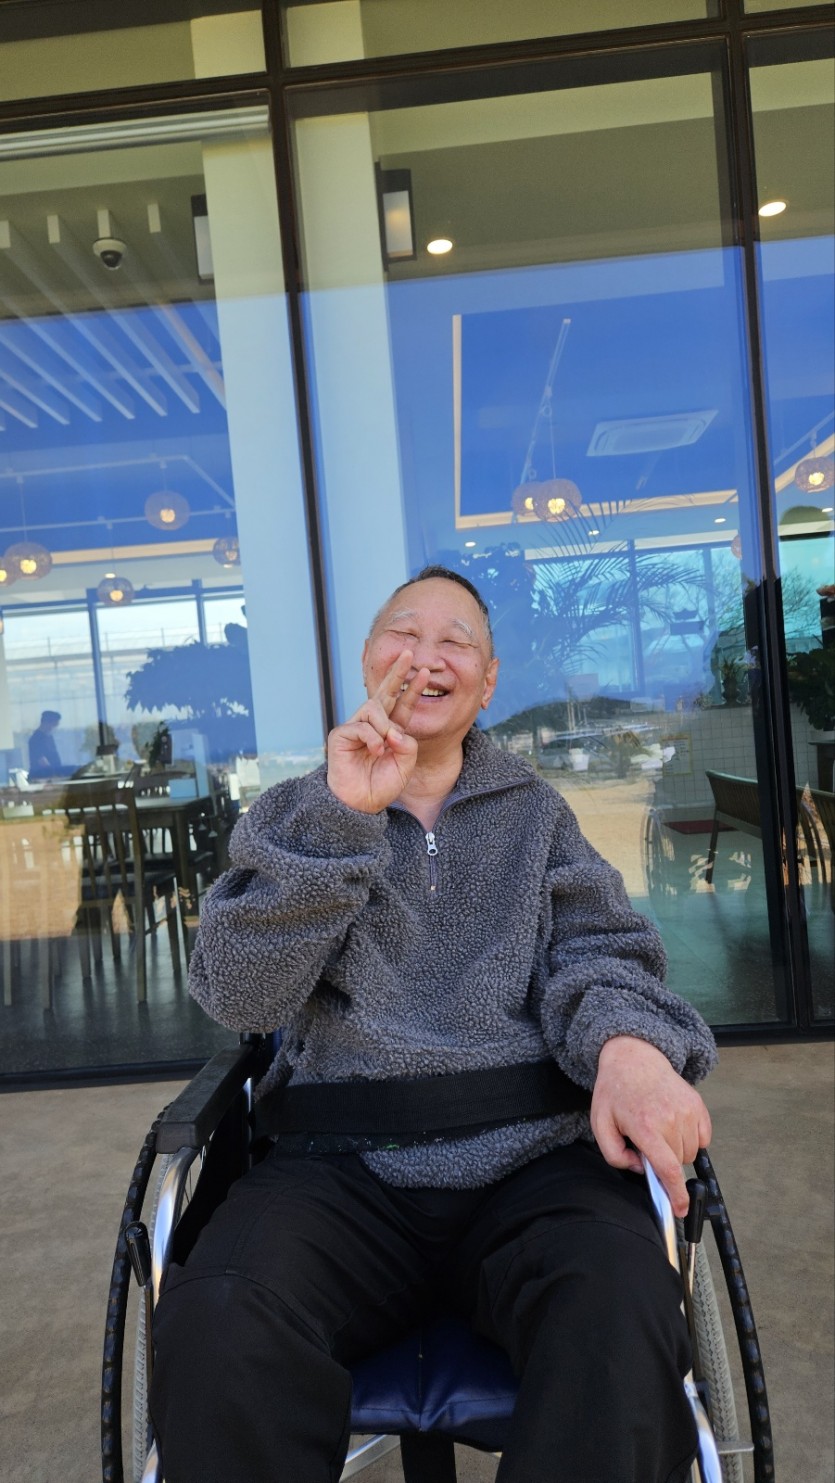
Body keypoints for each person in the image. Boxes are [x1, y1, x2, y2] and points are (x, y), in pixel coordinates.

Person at [150, 565, 716, 1483]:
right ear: (367, 659)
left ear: (486, 685)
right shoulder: (292, 812)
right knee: (218, 1315)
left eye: (455, 641)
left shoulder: (536, 815)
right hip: (338, 1169)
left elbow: (601, 951)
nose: (426, 656)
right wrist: (343, 818)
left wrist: (629, 1049)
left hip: (530, 1162)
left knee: (621, 1302)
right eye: (403, 633)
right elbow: (241, 996)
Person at [27, 710, 62, 779]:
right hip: (43, 777)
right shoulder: (36, 739)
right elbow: (42, 761)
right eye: (54, 725)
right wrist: (54, 774)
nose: (54, 728)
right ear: (47, 722)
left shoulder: (49, 737)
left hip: (52, 775)